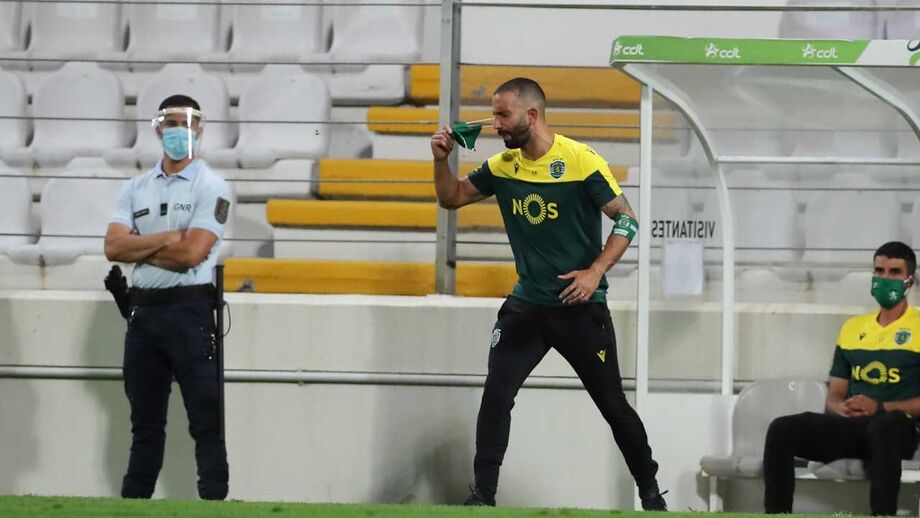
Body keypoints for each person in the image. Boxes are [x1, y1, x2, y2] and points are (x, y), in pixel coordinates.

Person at [430, 77, 666, 510]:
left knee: (613, 405)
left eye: (503, 115)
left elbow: (627, 219)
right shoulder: (503, 166)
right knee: (496, 396)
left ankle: (651, 495)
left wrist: (595, 272)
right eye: (494, 114)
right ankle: (483, 497)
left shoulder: (580, 161)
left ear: (532, 115)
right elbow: (452, 198)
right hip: (526, 307)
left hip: (579, 307)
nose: (495, 124)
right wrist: (441, 161)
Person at [103, 94, 231, 500]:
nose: (179, 131)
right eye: (171, 123)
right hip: (144, 314)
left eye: (186, 123)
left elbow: (191, 254)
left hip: (190, 311)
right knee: (144, 423)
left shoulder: (212, 186)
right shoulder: (134, 188)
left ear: (200, 129)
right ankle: (134, 502)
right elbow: (113, 248)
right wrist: (169, 238)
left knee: (206, 419)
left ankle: (213, 501)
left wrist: (140, 246)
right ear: (158, 129)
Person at [763, 241, 920, 516]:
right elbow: (835, 394)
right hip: (855, 427)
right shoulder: (852, 328)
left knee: (884, 425)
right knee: (782, 429)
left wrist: (879, 407)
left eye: (894, 272)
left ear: (910, 281)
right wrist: (842, 407)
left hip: (900, 430)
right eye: (879, 271)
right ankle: (777, 514)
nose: (884, 278)